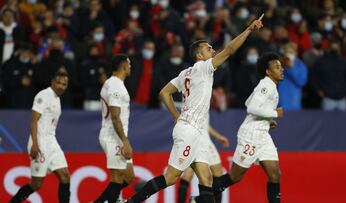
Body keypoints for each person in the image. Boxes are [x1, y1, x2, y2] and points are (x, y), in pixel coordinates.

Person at [119, 13, 264, 203]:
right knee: (171, 177)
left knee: (207, 179)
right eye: (208, 47)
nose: (213, 49)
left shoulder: (185, 73)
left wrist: (175, 115)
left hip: (195, 131)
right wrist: (249, 30)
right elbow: (229, 51)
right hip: (189, 130)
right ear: (199, 55)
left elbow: (164, 93)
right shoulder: (203, 68)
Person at [192, 52, 284, 203]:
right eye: (277, 67)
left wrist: (267, 119)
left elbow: (248, 102)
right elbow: (252, 108)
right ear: (268, 71)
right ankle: (198, 199)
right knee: (235, 177)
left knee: (275, 175)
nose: (281, 69)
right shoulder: (266, 85)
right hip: (251, 135)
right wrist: (274, 113)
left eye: (281, 66)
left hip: (263, 134)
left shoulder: (270, 85)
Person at [9, 71, 71, 203]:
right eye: (59, 83)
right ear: (52, 82)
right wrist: (35, 144)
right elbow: (33, 121)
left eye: (64, 84)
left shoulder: (57, 99)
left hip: (52, 142)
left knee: (65, 176)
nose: (61, 86)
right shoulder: (44, 95)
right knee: (36, 184)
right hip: (40, 142)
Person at [94, 54, 134, 203]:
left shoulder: (114, 83)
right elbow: (115, 116)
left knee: (129, 176)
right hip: (113, 136)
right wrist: (125, 141)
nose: (130, 67)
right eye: (129, 64)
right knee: (117, 179)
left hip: (118, 135)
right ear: (123, 65)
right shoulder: (115, 85)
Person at [178, 121, 229, 203]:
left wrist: (218, 136)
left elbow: (204, 123)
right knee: (217, 174)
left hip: (195, 138)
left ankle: (194, 200)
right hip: (198, 138)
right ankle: (196, 200)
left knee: (188, 174)